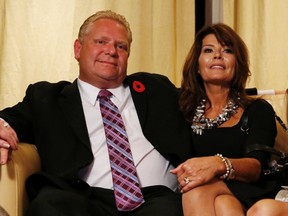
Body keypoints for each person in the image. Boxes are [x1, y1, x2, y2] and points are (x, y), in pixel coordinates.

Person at [0, 10, 192, 216]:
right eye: (101, 42)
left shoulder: (155, 88)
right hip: (82, 198)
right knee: (49, 204)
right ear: (78, 49)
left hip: (155, 200)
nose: (111, 51)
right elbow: (10, 119)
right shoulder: (47, 98)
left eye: (121, 46)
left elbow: (205, 107)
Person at [170, 23, 279, 215]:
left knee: (195, 190)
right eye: (208, 50)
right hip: (213, 196)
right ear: (197, 64)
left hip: (252, 192)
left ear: (238, 63)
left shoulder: (257, 109)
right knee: (223, 205)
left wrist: (218, 164)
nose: (218, 55)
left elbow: (255, 168)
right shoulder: (183, 111)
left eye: (227, 50)